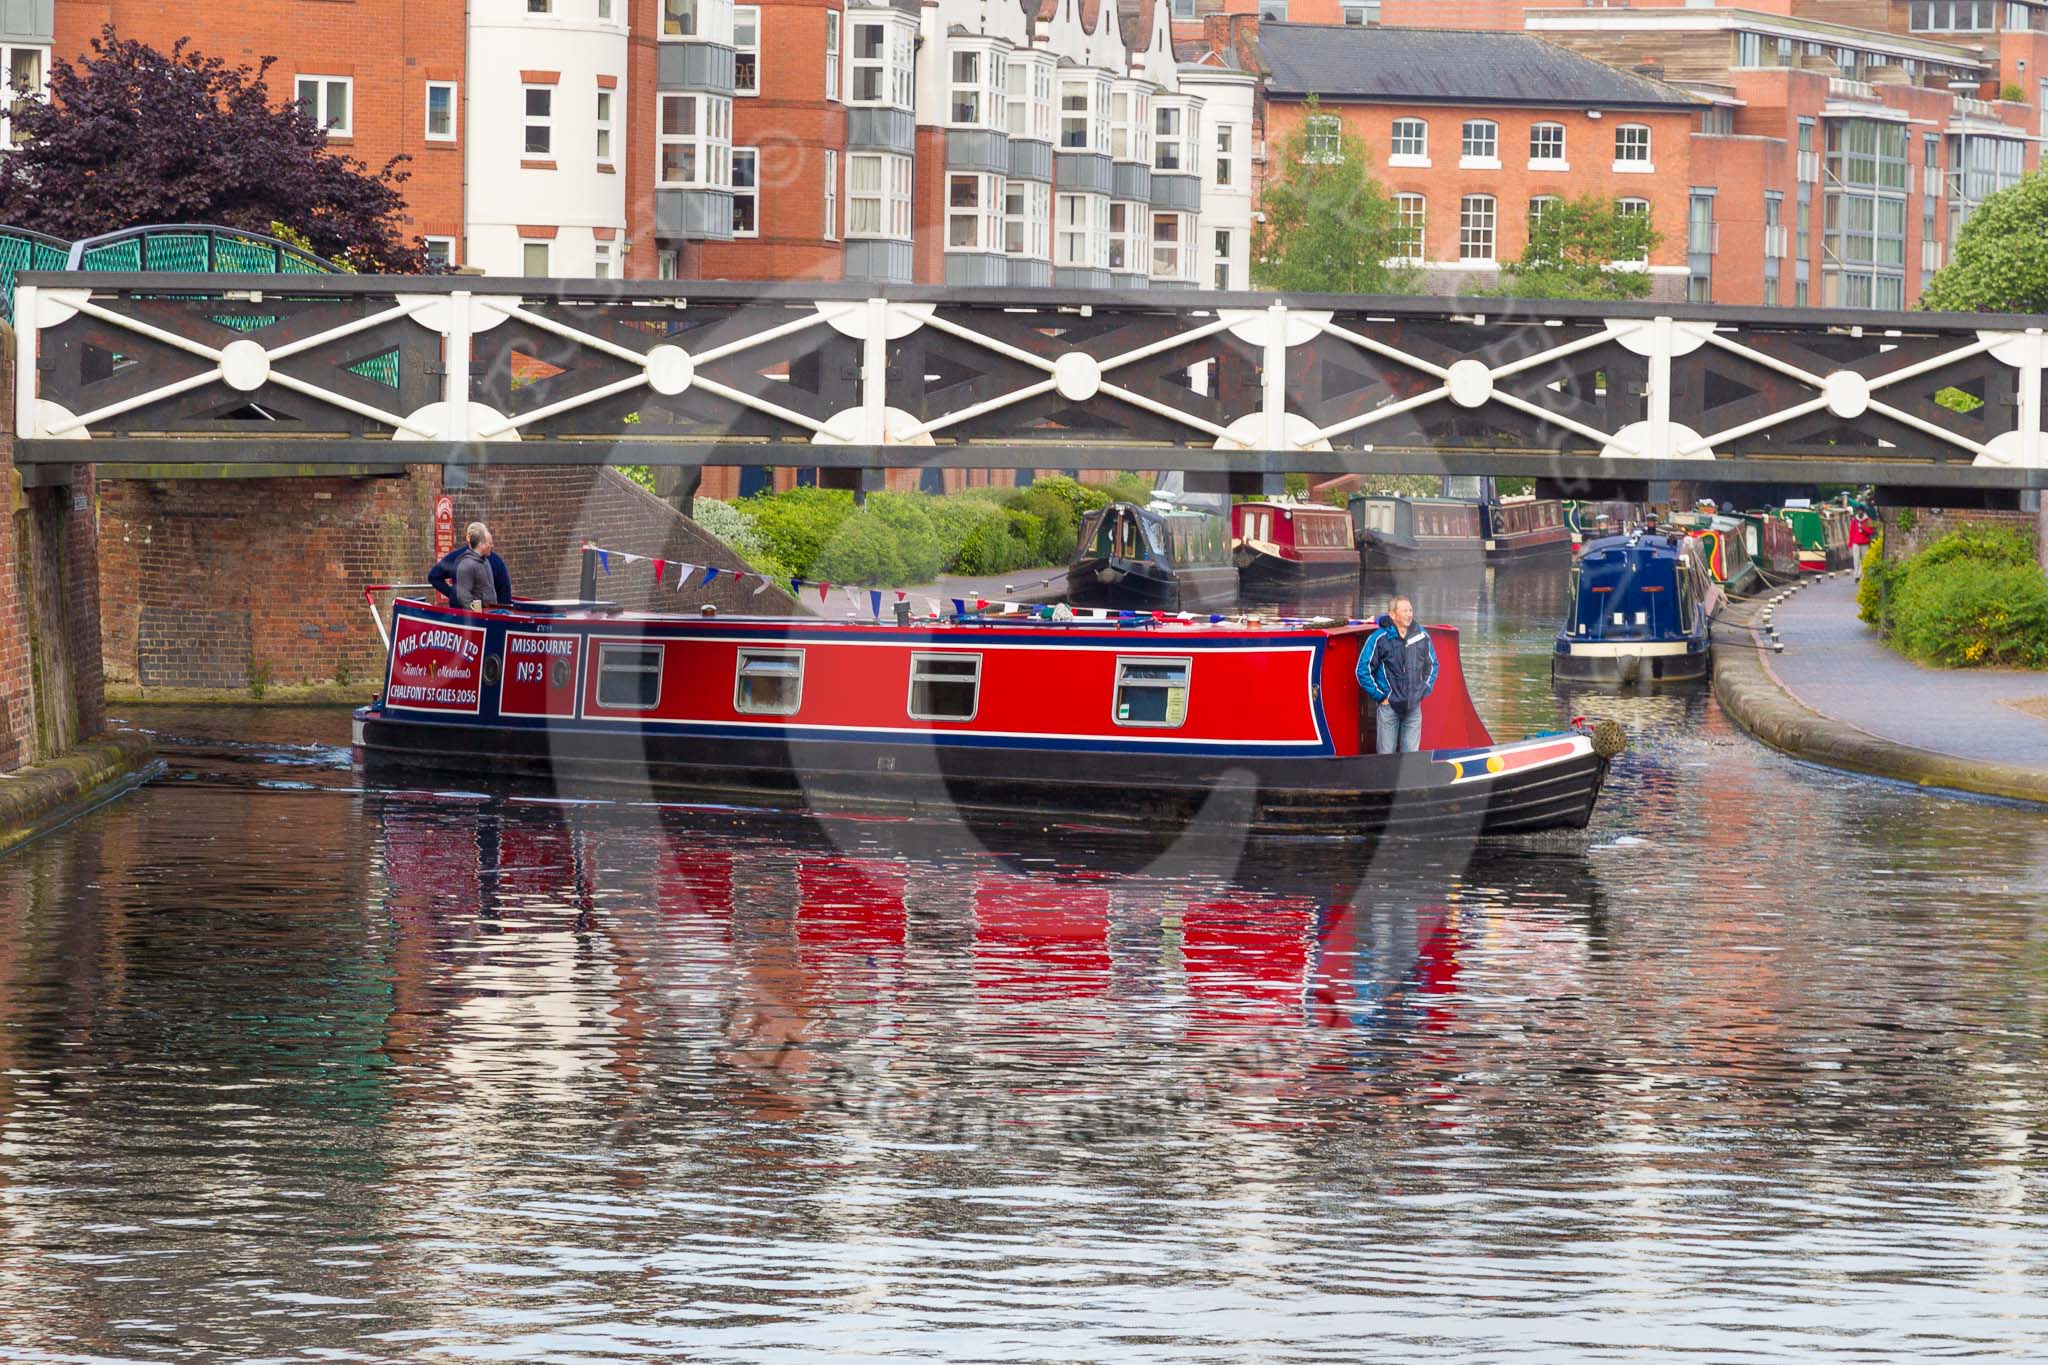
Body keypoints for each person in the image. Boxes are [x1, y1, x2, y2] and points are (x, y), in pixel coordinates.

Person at [1357, 595, 1438, 754]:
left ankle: (1409, 779)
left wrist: (1422, 691)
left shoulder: (1421, 636)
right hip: (1389, 707)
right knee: (1386, 756)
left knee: (1411, 757)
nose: (1409, 614)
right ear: (1392, 615)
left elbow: (1433, 665)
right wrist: (1381, 697)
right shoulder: (1379, 638)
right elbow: (1362, 670)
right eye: (1405, 611)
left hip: (1413, 705)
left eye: (1410, 610)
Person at [429, 522, 511, 608]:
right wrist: (453, 594)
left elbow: (503, 589)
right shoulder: (457, 558)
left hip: (481, 612)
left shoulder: (493, 561)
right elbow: (434, 576)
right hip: (471, 612)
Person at [454, 524, 501, 610]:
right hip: (478, 618)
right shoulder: (466, 565)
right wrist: (477, 613)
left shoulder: (486, 561)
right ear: (481, 544)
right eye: (489, 543)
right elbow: (463, 596)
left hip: (489, 614)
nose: (492, 546)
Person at [1848, 508, 1874, 580]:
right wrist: (1850, 543)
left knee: (1864, 560)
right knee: (1856, 560)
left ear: (1863, 511)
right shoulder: (1854, 520)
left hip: (1865, 543)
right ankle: (1857, 576)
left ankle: (1863, 575)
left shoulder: (1868, 520)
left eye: (1861, 511)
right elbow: (1851, 532)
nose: (1859, 512)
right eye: (1858, 511)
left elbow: (1871, 531)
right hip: (1856, 543)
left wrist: (1863, 528)